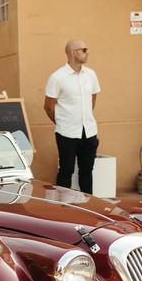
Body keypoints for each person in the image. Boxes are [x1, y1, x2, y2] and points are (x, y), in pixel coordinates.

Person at [44, 39, 101, 194]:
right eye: (84, 50)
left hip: (88, 130)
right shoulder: (57, 77)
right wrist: (63, 122)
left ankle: (89, 207)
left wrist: (84, 118)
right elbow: (48, 106)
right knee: (66, 171)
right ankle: (63, 209)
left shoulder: (91, 74)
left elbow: (92, 98)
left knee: (87, 171)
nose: (87, 52)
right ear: (73, 53)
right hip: (66, 132)